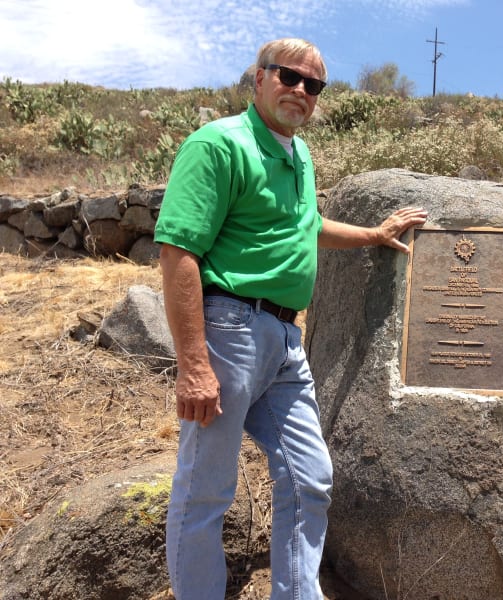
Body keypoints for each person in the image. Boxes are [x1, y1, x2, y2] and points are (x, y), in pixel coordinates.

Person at [154, 38, 427, 600]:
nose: (300, 90)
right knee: (206, 490)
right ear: (259, 78)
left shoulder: (298, 154)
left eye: (314, 85)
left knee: (309, 478)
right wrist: (193, 364)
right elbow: (178, 252)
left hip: (284, 339)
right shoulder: (218, 144)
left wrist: (373, 235)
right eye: (289, 77)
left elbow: (308, 226)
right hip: (229, 329)